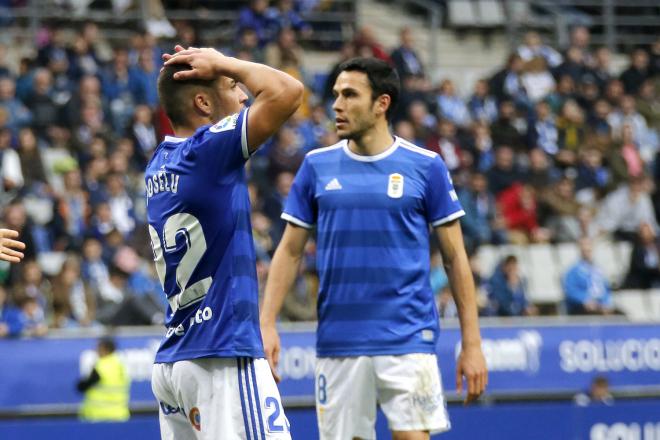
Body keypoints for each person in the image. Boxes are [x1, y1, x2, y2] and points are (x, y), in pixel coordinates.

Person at [260, 57, 487, 440]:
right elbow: (290, 251)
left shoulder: (426, 166)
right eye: (335, 95)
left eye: (350, 95)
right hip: (338, 343)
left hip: (408, 339)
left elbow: (454, 258)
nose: (337, 105)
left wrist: (473, 343)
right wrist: (266, 323)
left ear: (381, 103)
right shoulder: (316, 166)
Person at [147, 46, 302, 439]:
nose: (244, 94)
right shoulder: (207, 152)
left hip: (177, 359)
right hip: (220, 354)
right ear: (202, 102)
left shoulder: (159, 164)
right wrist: (222, 61)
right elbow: (287, 91)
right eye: (234, 86)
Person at [77, 337, 131, 421]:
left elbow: (82, 386)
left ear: (105, 349)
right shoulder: (120, 365)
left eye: (98, 348)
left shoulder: (101, 366)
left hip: (100, 416)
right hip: (119, 415)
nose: (96, 351)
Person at [562, 238, 614, 315]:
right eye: (584, 251)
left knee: (620, 315)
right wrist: (585, 300)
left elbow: (606, 289)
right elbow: (570, 291)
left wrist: (606, 303)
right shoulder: (573, 271)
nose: (587, 253)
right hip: (582, 306)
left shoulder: (598, 270)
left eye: (589, 250)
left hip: (600, 304)